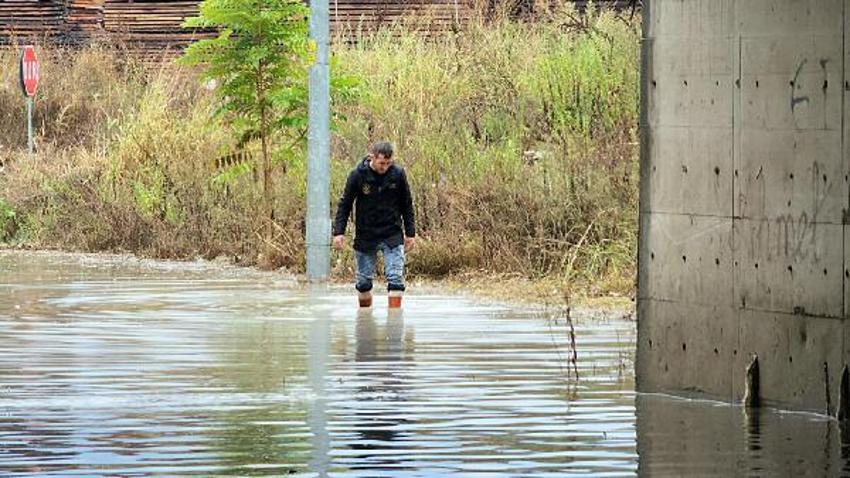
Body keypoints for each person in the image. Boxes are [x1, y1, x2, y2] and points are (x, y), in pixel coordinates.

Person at [333, 141, 416, 309]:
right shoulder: (357, 175)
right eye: (381, 163)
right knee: (363, 283)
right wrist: (338, 232)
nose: (384, 167)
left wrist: (410, 233)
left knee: (395, 280)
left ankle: (394, 328)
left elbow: (407, 204)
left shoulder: (398, 174)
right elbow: (345, 204)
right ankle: (364, 323)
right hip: (366, 234)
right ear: (372, 157)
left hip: (391, 233)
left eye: (388, 163)